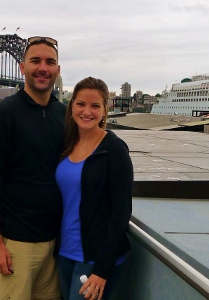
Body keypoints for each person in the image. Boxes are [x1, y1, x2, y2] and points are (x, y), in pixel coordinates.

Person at [0, 36, 65, 300]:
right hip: (16, 246)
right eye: (35, 61)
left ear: (57, 70)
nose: (43, 68)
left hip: (55, 245)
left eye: (50, 62)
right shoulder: (5, 115)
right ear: (22, 67)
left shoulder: (64, 114)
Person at [55, 77, 133, 300]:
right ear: (71, 107)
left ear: (104, 110)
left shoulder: (114, 150)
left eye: (95, 105)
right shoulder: (67, 144)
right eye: (80, 104)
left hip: (94, 259)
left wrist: (102, 269)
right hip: (65, 253)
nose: (86, 111)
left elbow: (121, 213)